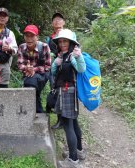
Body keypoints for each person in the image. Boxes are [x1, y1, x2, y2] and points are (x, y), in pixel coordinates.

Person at [51, 29, 86, 167]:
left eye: (65, 41)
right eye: (60, 41)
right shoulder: (62, 55)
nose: (62, 43)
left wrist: (79, 57)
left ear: (71, 42)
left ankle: (73, 160)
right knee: (74, 123)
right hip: (65, 91)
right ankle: (79, 151)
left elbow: (81, 69)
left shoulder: (72, 56)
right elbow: (54, 72)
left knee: (68, 125)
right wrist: (56, 62)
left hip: (67, 92)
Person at [17, 25, 51, 113]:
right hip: (28, 74)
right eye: (27, 36)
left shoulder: (44, 47)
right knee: (31, 83)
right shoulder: (21, 47)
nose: (29, 39)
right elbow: (20, 65)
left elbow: (47, 66)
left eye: (32, 36)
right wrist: (27, 68)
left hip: (42, 74)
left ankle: (33, 110)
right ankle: (38, 111)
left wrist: (34, 69)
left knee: (30, 83)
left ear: (37, 37)